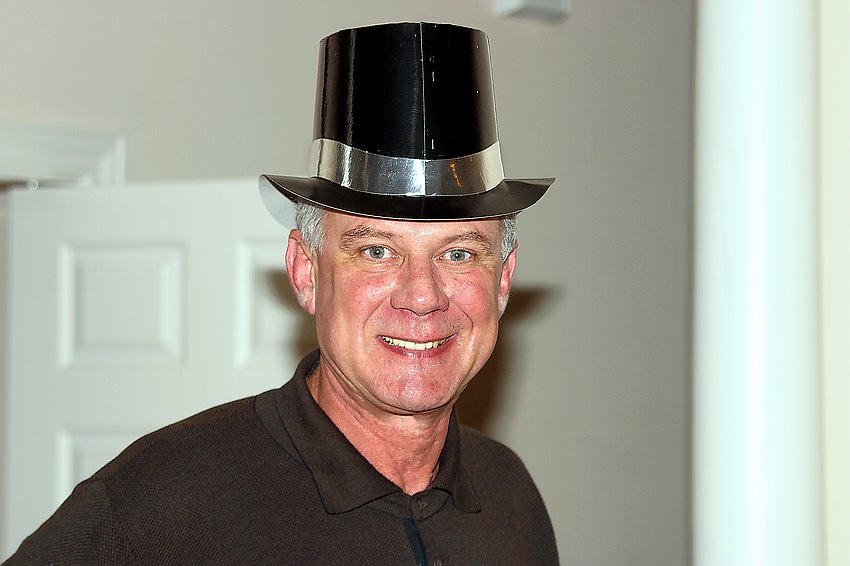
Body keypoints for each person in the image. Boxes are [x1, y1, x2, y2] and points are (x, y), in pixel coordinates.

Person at [7, 22, 559, 565]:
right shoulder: (154, 510)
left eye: (458, 253)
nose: (422, 296)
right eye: (376, 250)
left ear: (503, 278)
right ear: (306, 272)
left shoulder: (509, 495)